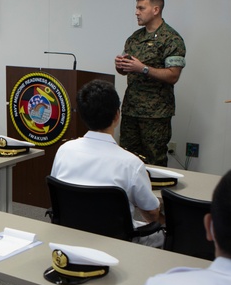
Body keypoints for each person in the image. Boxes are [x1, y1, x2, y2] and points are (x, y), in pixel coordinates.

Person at [51, 80, 162, 242]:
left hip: (71, 237)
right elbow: (152, 213)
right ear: (117, 115)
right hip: (118, 243)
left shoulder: (64, 151)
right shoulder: (131, 164)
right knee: (162, 235)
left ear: (82, 115)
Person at [114, 0, 186, 167]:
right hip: (131, 109)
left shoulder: (172, 39)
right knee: (127, 159)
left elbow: (173, 75)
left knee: (154, 161)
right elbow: (126, 70)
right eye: (136, 8)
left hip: (156, 113)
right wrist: (120, 66)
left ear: (155, 10)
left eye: (141, 8)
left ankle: (154, 195)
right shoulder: (134, 38)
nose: (136, 12)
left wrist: (143, 69)